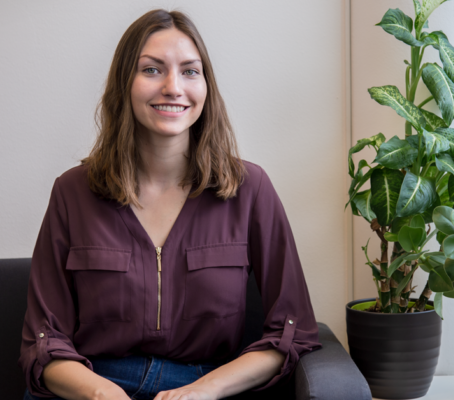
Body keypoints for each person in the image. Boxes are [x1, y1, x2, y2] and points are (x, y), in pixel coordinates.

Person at [19, 9, 322, 400]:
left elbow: (292, 331)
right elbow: (43, 343)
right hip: (94, 386)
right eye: (151, 70)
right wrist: (100, 394)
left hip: (209, 384)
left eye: (190, 71)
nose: (173, 87)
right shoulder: (71, 191)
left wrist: (205, 390)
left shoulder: (251, 188)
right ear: (124, 82)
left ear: (206, 86)